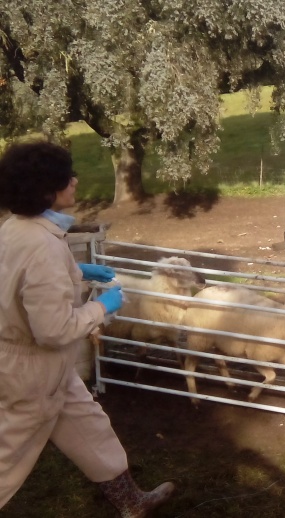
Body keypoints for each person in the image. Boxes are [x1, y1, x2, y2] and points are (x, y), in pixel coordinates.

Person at [0, 141, 176, 515]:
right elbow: (54, 330)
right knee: (8, 459)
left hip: (44, 366)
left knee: (91, 427)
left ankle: (132, 502)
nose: (75, 181)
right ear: (46, 190)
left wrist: (77, 271)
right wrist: (101, 307)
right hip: (32, 372)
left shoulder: (17, 228)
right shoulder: (42, 246)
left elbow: (24, 280)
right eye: (68, 177)